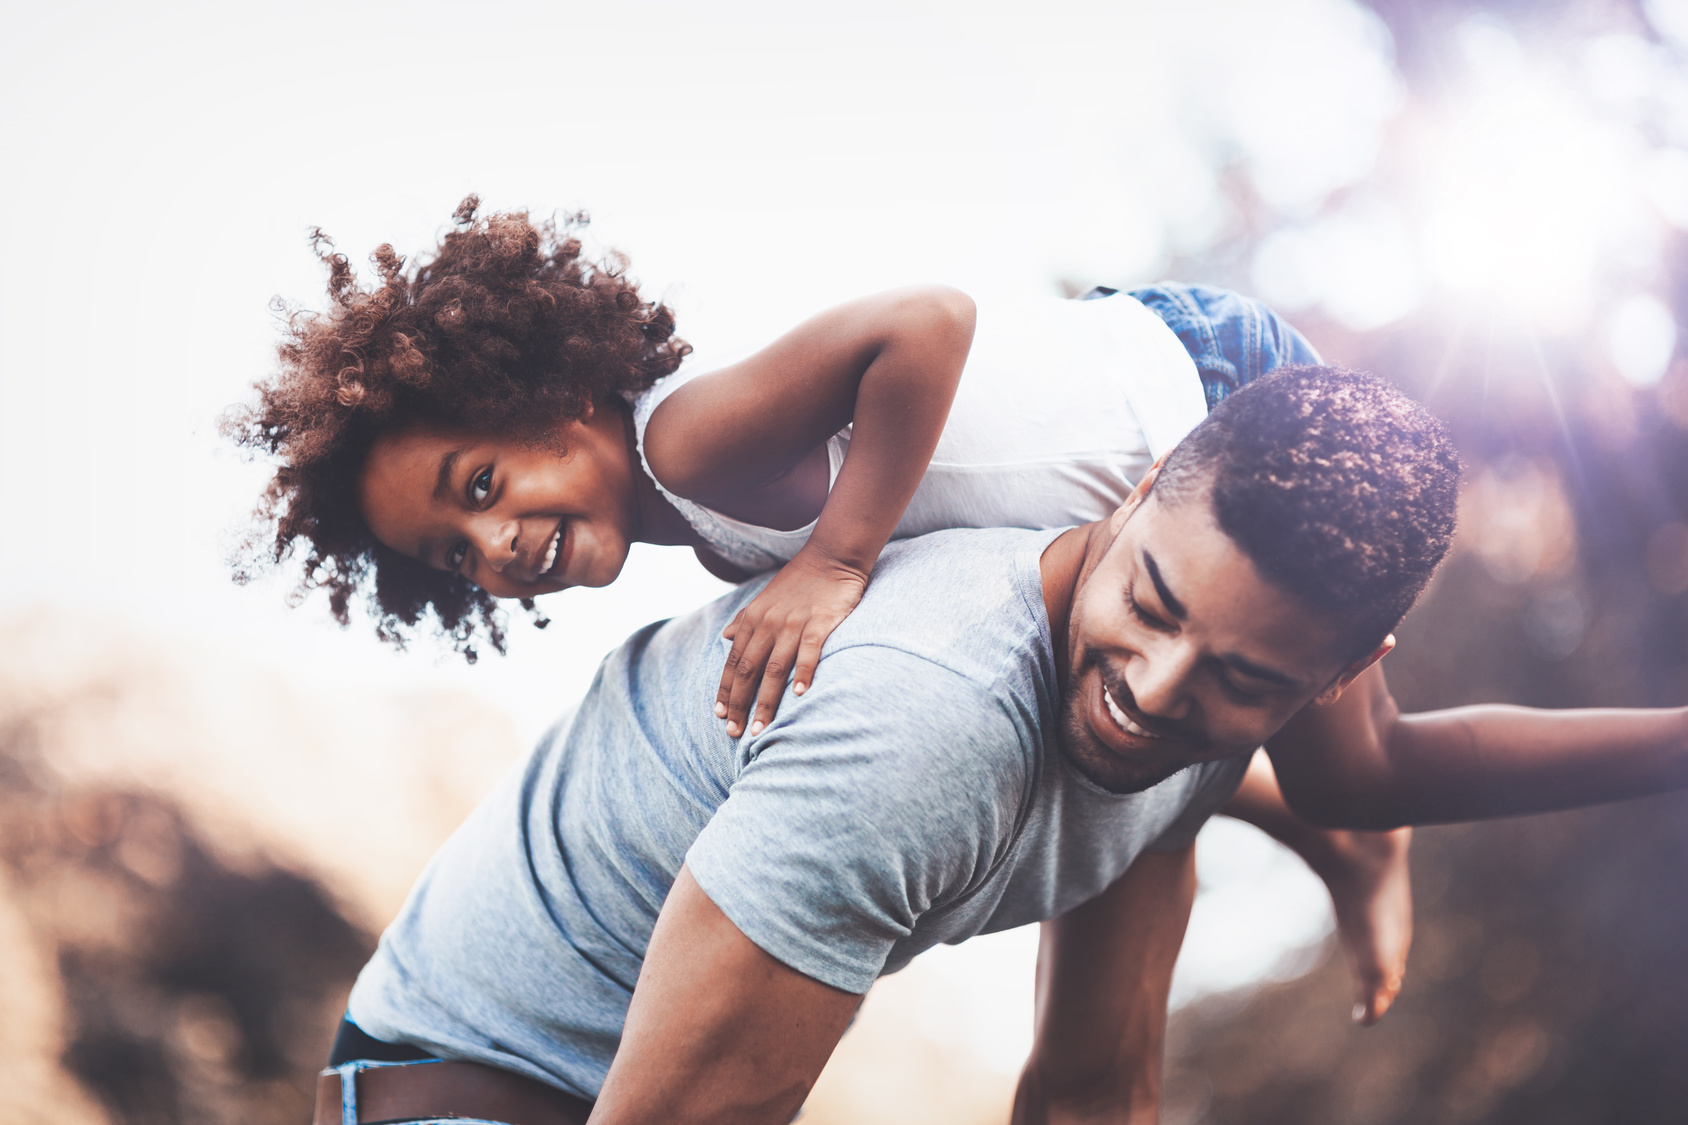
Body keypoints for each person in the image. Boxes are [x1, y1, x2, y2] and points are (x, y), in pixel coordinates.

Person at [310, 367, 1687, 1125]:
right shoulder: (928, 722)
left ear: (1336, 679)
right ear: (1139, 494)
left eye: (1244, 678)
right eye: (1151, 602)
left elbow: (1093, 1093)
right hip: (469, 1088)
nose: (1150, 689)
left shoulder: (1187, 722)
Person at [229, 198, 1411, 1022]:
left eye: (479, 487)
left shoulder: (686, 441)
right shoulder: (706, 540)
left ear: (549, 393)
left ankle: (1360, 827)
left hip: (1199, 393)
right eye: (452, 554)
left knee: (1341, 758)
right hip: (1126, 460)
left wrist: (839, 561)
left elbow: (925, 323)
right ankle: (1334, 836)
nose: (492, 544)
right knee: (1135, 742)